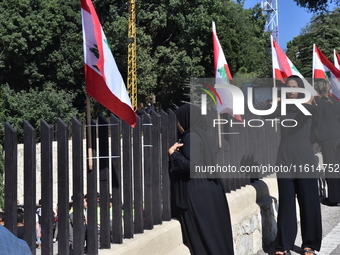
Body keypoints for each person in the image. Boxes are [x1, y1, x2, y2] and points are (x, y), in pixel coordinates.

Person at [266, 75, 322, 255]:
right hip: (284, 157)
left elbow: (316, 123)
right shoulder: (282, 107)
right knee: (287, 202)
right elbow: (266, 111)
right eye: (288, 87)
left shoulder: (309, 106)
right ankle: (283, 245)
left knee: (308, 201)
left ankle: (310, 244)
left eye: (295, 87)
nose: (291, 91)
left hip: (304, 157)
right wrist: (275, 101)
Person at [168, 104, 234, 255]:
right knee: (216, 236)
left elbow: (193, 166)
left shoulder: (191, 137)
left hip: (198, 192)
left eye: (178, 120)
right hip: (212, 189)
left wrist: (173, 154)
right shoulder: (205, 135)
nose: (177, 124)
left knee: (203, 238)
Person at [314, 79, 340, 205]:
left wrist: (317, 139)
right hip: (338, 138)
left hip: (327, 140)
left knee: (331, 168)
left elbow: (317, 123)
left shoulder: (319, 104)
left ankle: (335, 197)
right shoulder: (336, 103)